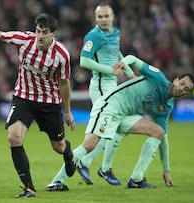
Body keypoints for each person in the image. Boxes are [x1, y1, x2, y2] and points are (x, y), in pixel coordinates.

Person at [0, 13, 76, 198]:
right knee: (14, 137)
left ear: (53, 34)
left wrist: (68, 111)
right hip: (23, 98)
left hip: (49, 103)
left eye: (45, 32)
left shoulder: (62, 55)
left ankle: (68, 152)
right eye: (38, 31)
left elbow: (64, 83)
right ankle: (29, 188)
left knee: (58, 146)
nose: (40, 36)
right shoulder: (24, 40)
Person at [55, 54, 194, 189]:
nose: (181, 88)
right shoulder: (158, 77)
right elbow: (133, 59)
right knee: (90, 144)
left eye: (186, 89)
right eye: (182, 83)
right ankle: (57, 180)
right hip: (111, 105)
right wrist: (123, 63)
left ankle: (136, 178)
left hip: (125, 115)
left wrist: (166, 170)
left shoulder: (167, 107)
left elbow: (164, 138)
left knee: (158, 132)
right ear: (176, 80)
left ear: (186, 94)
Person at [46, 3, 139, 191]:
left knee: (108, 132)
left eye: (106, 16)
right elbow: (84, 61)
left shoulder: (115, 33)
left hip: (111, 86)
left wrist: (129, 72)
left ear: (113, 17)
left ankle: (89, 164)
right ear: (95, 18)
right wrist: (109, 70)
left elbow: (116, 54)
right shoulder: (93, 36)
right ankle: (72, 172)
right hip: (100, 86)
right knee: (99, 136)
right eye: (100, 17)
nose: (103, 20)